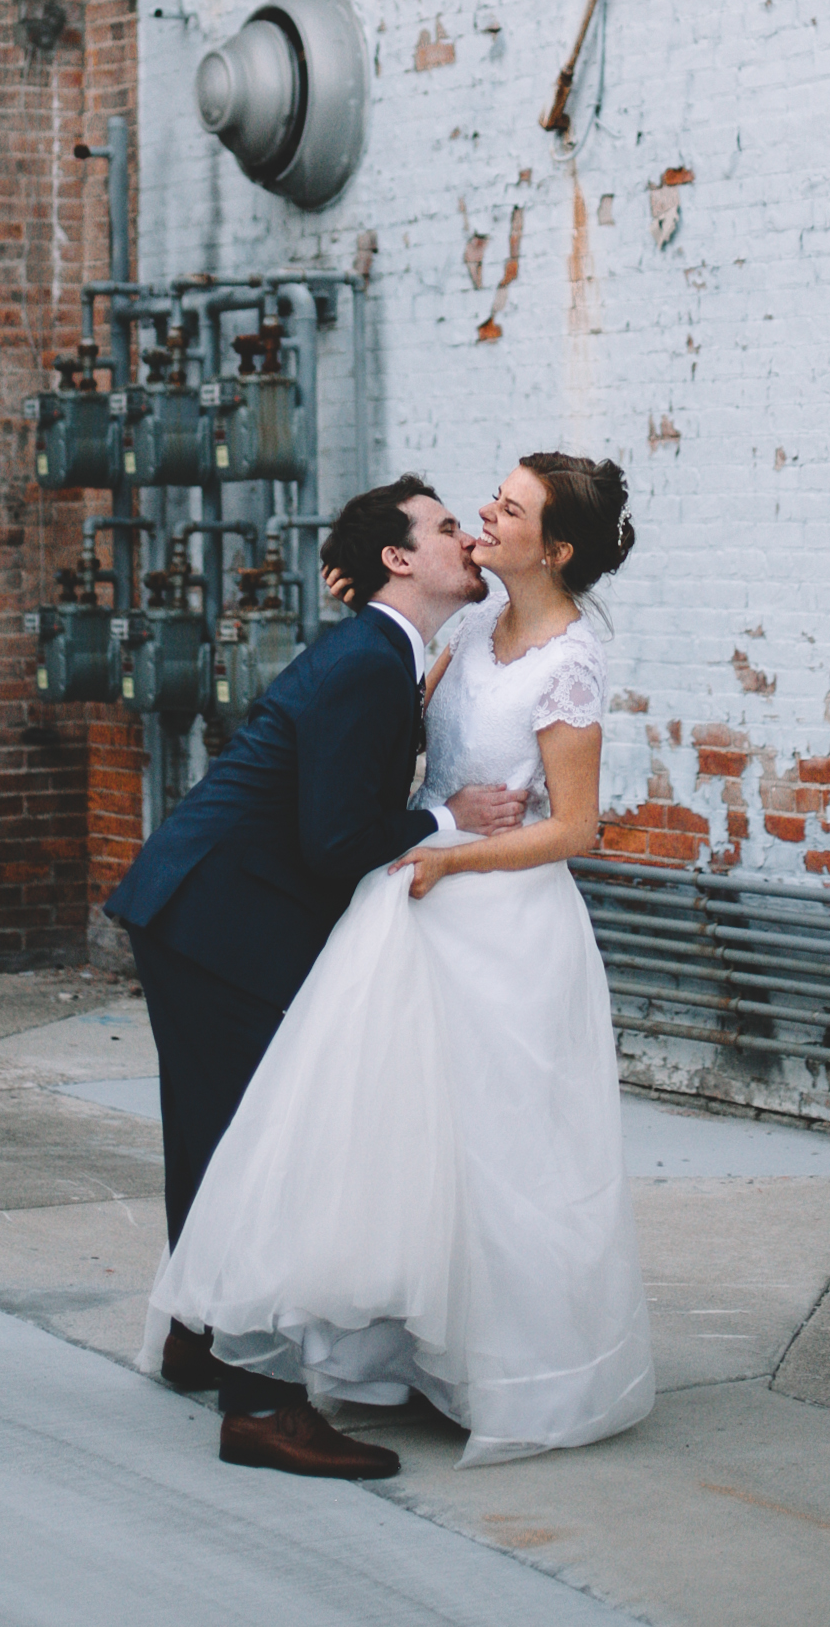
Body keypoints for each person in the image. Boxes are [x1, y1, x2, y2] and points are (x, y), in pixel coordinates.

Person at [151, 453, 655, 1472]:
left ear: (552, 548)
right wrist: (437, 826)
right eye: (466, 514)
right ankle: (264, 1369)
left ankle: (466, 1363)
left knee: (487, 1147)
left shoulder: (556, 661)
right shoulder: (442, 637)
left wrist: (446, 851)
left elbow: (574, 826)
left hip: (493, 922)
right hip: (373, 904)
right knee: (342, 1134)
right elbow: (375, 774)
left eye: (504, 509)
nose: (479, 518)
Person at [104, 475, 529, 1480]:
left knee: (219, 1139)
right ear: (396, 558)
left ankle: (197, 1334)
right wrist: (450, 818)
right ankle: (261, 1407)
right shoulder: (369, 665)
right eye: (442, 528)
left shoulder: (387, 655)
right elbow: (336, 839)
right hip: (218, 919)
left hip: (207, 911)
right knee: (255, 1150)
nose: (465, 538)